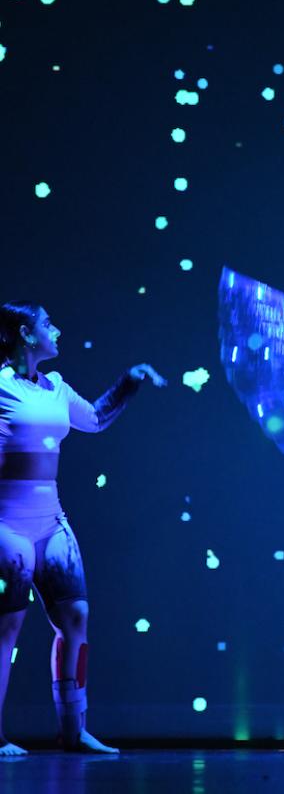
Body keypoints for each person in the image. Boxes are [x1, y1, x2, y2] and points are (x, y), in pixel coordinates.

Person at [0, 302, 166, 756]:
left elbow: (93, 419)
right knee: (6, 629)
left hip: (50, 521)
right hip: (5, 526)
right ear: (25, 334)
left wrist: (129, 381)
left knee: (75, 619)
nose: (58, 329)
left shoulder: (55, 387)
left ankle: (73, 730)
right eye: (48, 323)